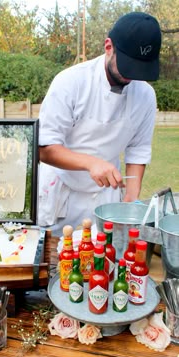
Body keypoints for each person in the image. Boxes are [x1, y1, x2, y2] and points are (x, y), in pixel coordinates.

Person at [38, 12, 162, 237]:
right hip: (61, 193)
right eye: (128, 65)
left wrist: (131, 202)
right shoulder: (70, 82)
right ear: (108, 46)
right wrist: (91, 163)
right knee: (54, 261)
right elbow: (45, 149)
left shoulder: (145, 95)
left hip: (105, 197)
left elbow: (138, 150)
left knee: (101, 262)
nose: (132, 76)